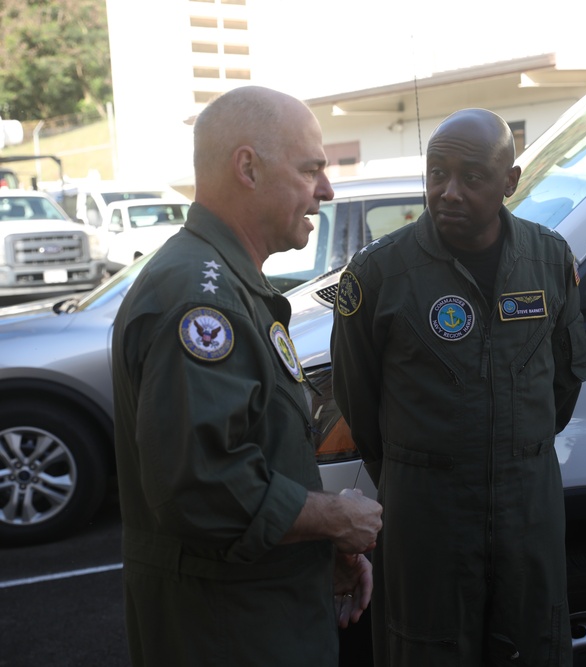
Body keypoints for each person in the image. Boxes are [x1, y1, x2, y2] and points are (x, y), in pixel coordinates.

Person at [111, 85, 383, 667]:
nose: (326, 191)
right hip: (227, 629)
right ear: (248, 168)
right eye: (311, 169)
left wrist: (318, 543)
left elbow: (258, 457)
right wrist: (334, 516)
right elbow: (202, 487)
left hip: (253, 612)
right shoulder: (200, 300)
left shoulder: (229, 286)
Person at [330, 108, 586, 666]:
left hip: (529, 509)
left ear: (510, 182)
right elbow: (359, 400)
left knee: (532, 645)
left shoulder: (549, 261)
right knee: (425, 648)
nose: (448, 192)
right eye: (435, 174)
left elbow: (565, 385)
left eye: (471, 178)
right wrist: (419, 472)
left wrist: (511, 452)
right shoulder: (378, 275)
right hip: (427, 517)